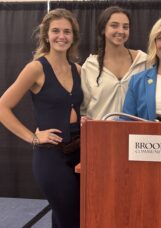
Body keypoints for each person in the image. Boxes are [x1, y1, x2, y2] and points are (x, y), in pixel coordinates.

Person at [0, 8, 82, 228]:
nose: (61, 36)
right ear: (46, 35)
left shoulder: (78, 69)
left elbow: (73, 106)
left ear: (73, 36)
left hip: (79, 152)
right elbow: (2, 107)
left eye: (67, 31)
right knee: (71, 219)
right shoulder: (36, 68)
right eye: (56, 31)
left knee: (66, 217)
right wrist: (33, 138)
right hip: (51, 157)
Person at [80, 6, 147, 120]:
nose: (120, 31)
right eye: (114, 25)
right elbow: (83, 110)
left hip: (135, 135)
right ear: (103, 29)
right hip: (101, 134)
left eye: (125, 27)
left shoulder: (143, 61)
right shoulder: (90, 66)